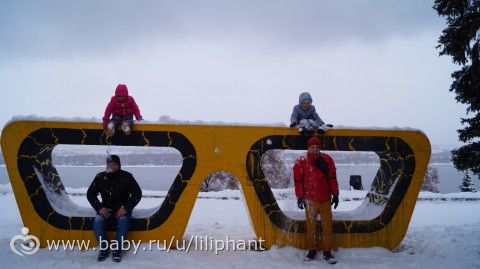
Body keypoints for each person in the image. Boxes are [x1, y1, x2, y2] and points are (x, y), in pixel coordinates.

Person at [87, 155, 142, 262]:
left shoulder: (127, 177)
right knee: (97, 222)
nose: (111, 166)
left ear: (118, 165)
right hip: (106, 208)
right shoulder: (100, 177)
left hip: (122, 209)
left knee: (123, 222)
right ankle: (104, 248)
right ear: (106, 165)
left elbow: (137, 194)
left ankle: (117, 250)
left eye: (114, 164)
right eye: (109, 164)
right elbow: (90, 194)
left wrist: (125, 209)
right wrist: (100, 208)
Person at [293, 136, 339, 264]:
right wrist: (300, 196)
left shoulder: (327, 159)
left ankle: (327, 252)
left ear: (320, 148)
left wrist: (335, 194)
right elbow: (298, 181)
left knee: (327, 227)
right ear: (308, 148)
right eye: (312, 147)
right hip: (310, 200)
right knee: (311, 226)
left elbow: (332, 178)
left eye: (317, 147)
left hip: (325, 199)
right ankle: (312, 251)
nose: (315, 149)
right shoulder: (301, 160)